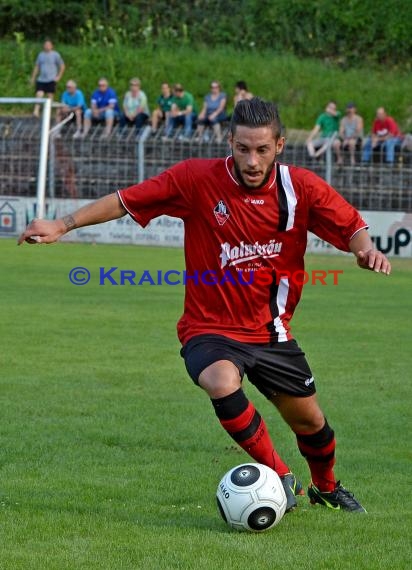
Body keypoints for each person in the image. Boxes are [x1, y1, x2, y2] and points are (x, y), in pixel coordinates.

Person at [19, 98, 391, 514]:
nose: (252, 160)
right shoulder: (196, 179)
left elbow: (350, 223)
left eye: (262, 150)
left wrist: (365, 250)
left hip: (271, 332)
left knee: (312, 424)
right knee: (219, 380)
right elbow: (126, 200)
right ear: (229, 141)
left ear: (280, 145)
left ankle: (326, 486)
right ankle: (280, 476)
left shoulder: (299, 187)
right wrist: (62, 224)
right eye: (243, 148)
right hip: (207, 328)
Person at [30, 39, 65, 118]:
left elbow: (62, 66)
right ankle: (36, 111)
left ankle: (48, 112)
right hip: (41, 79)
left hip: (51, 79)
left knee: (50, 96)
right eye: (45, 45)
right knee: (39, 94)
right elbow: (37, 67)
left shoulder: (56, 55)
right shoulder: (40, 55)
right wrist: (33, 77)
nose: (47, 46)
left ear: (52, 46)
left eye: (48, 45)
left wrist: (58, 77)